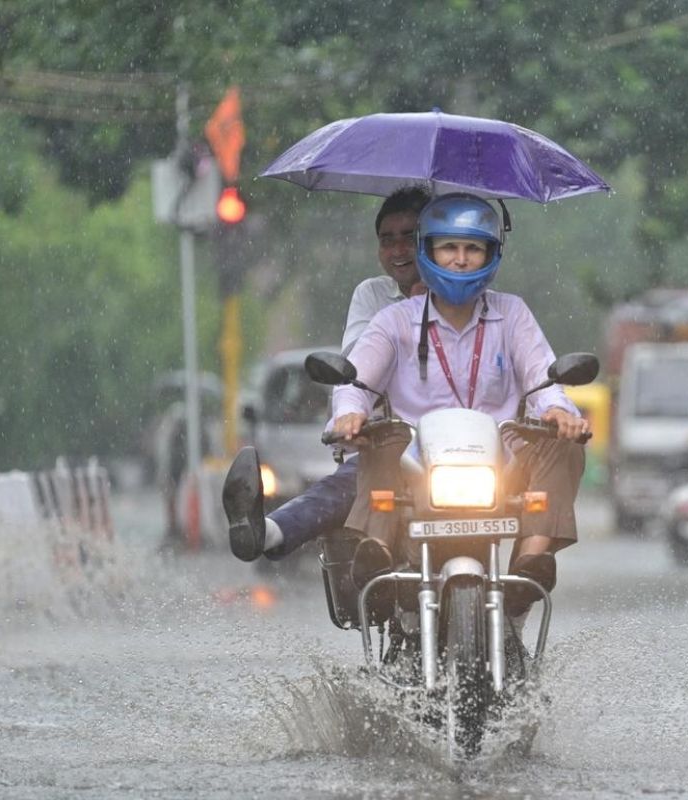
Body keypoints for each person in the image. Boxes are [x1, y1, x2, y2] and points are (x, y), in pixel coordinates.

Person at [329, 192, 589, 615]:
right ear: (427, 251)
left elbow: (543, 379)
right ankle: (375, 554)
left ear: (492, 254)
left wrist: (560, 412)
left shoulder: (513, 313)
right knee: (380, 436)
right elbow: (355, 380)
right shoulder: (394, 320)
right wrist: (349, 414)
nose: (461, 260)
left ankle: (530, 564)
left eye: (473, 248)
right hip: (416, 462)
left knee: (563, 445)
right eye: (449, 247)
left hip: (498, 462)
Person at [223, 187, 430, 562]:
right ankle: (268, 531)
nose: (399, 250)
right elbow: (357, 370)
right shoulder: (373, 297)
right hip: (389, 443)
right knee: (348, 483)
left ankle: (518, 586)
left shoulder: (481, 303)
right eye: (388, 240)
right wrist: (412, 311)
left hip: (463, 453)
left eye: (410, 238)